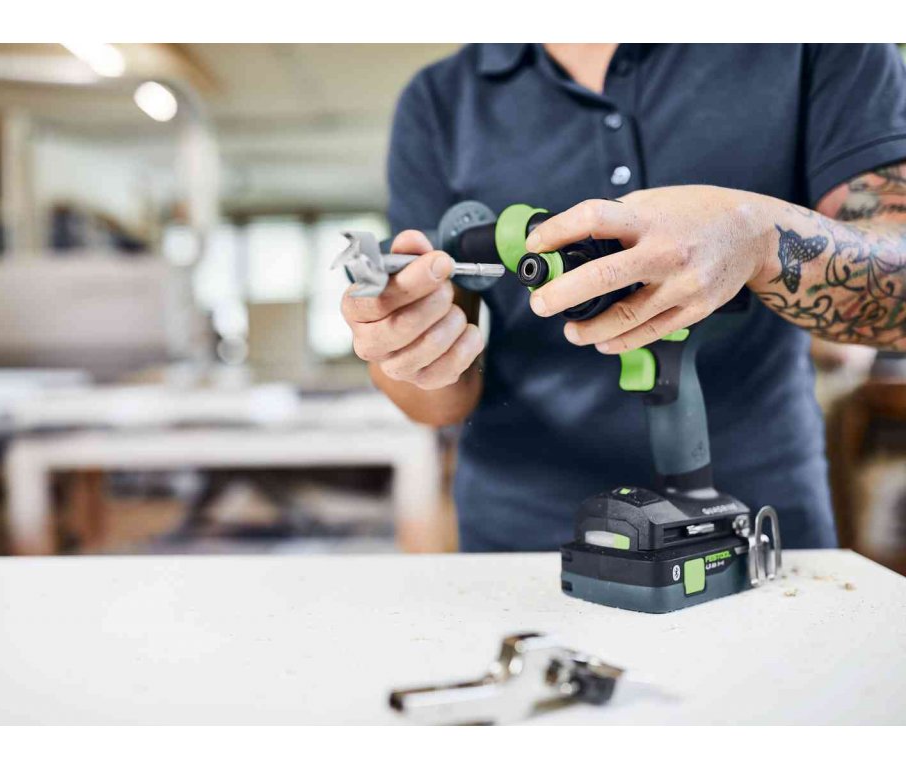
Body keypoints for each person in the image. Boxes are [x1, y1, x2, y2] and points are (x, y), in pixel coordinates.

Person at [340, 44, 906, 551]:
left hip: (758, 524)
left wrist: (757, 237)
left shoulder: (817, 38)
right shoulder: (440, 99)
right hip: (523, 538)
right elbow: (438, 399)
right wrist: (404, 343)